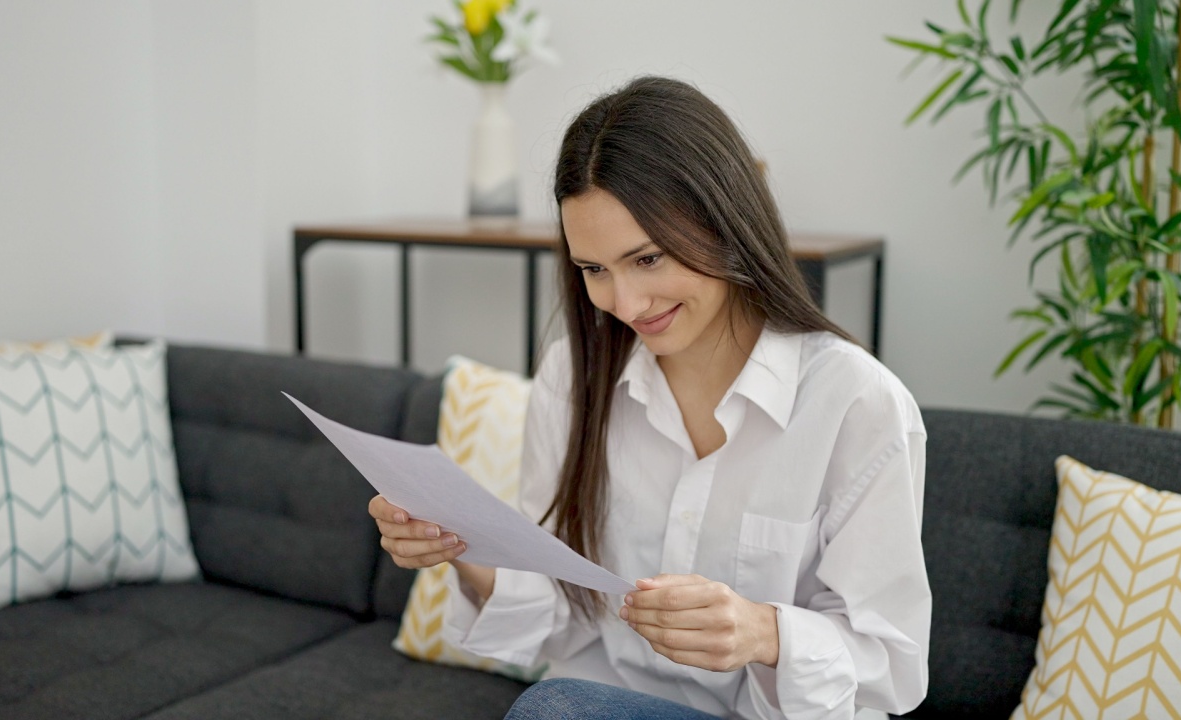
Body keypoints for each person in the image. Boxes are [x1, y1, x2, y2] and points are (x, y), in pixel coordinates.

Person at [368, 76, 930, 720]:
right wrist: (462, 550)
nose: (625, 305)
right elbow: (564, 613)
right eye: (594, 271)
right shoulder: (571, 378)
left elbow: (894, 668)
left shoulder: (857, 404)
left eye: (648, 259)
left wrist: (762, 631)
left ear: (725, 224)